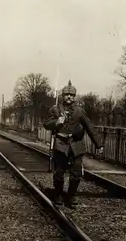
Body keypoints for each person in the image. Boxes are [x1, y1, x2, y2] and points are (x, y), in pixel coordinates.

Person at [43, 80, 104, 208]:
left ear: (74, 97)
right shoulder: (55, 109)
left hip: (76, 145)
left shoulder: (80, 111)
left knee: (76, 174)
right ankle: (58, 194)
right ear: (62, 96)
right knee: (59, 173)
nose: (69, 97)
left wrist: (99, 144)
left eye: (71, 95)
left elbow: (90, 127)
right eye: (66, 95)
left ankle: (71, 196)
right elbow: (46, 124)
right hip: (60, 144)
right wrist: (56, 122)